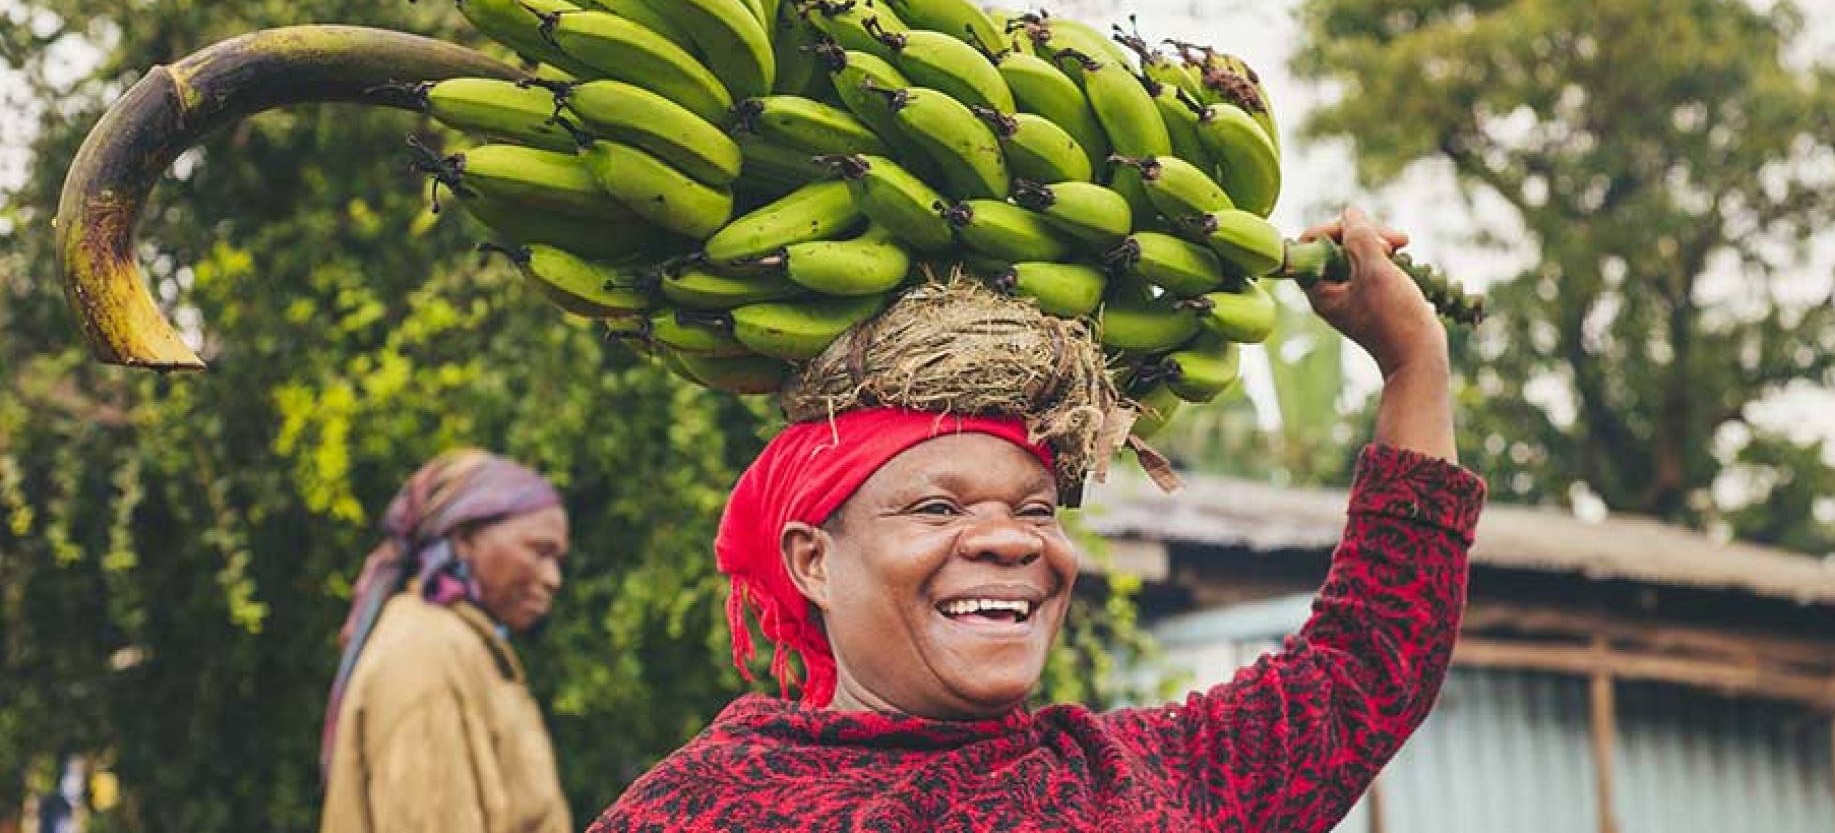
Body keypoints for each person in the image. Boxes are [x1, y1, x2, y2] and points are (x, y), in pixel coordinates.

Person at [589, 212, 1486, 832]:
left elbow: (1366, 661)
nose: (1011, 539)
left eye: (1036, 509)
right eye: (938, 506)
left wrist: (1413, 364)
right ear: (813, 560)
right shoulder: (706, 806)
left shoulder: (1144, 779)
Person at [320, 449, 573, 833]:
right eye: (539, 551)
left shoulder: (465, 647)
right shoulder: (423, 651)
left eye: (557, 560)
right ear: (464, 538)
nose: (553, 578)